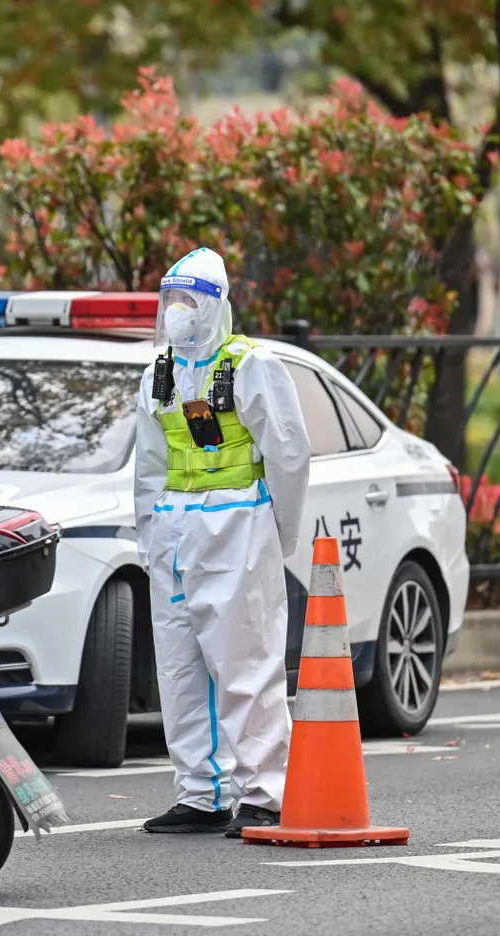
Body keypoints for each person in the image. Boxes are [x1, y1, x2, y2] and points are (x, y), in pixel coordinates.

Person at [133, 248, 311, 838]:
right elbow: (149, 464)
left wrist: (280, 532)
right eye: (171, 301)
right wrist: (151, 536)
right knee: (180, 667)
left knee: (245, 662)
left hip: (238, 524)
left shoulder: (250, 365)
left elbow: (288, 455)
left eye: (189, 301)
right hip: (177, 530)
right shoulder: (160, 372)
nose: (177, 313)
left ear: (214, 306)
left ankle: (263, 792)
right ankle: (200, 794)